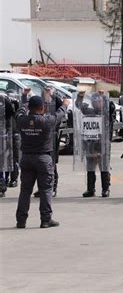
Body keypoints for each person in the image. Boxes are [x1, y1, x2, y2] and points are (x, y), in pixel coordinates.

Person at [15, 89, 69, 228]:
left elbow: (20, 111)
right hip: (43, 158)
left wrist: (24, 98)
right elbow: (60, 113)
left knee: (25, 190)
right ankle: (45, 219)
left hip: (26, 157)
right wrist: (64, 103)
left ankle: (21, 220)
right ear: (42, 108)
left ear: (29, 108)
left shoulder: (22, 120)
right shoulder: (47, 121)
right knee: (45, 189)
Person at [75, 90, 115, 198]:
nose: (98, 103)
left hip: (103, 144)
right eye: (96, 101)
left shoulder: (106, 113)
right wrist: (80, 96)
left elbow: (111, 107)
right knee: (90, 168)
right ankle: (90, 189)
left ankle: (105, 189)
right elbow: (79, 106)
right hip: (91, 144)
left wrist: (104, 96)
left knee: (104, 167)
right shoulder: (89, 112)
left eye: (100, 101)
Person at [33, 87, 64, 198]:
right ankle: (42, 188)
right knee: (40, 165)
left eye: (48, 92)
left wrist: (53, 95)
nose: (46, 94)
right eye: (44, 92)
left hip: (52, 137)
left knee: (51, 164)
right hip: (40, 137)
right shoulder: (40, 105)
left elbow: (61, 106)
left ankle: (53, 188)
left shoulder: (54, 104)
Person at [0, 92, 16, 198]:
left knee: (2, 161)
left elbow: (11, 114)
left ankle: (2, 184)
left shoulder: (3, 99)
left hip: (3, 135)